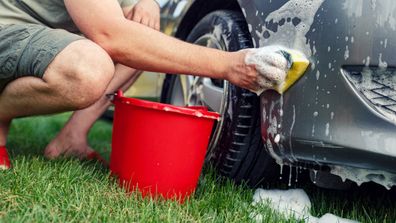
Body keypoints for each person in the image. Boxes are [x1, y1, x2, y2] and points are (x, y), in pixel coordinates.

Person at [0, 0, 289, 169]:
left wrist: (145, 3)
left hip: (39, 39)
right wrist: (229, 65)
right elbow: (110, 35)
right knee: (88, 69)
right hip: (6, 29)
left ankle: (70, 139)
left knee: (142, 30)